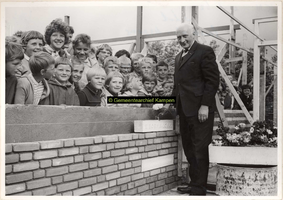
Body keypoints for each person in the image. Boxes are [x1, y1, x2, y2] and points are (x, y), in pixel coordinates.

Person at [172, 23, 219, 196]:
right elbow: (178, 85)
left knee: (199, 148)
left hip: (200, 110)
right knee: (189, 147)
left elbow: (212, 81)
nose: (182, 40)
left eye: (185, 36)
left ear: (194, 34)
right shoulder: (178, 57)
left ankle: (199, 188)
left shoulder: (204, 51)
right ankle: (194, 183)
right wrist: (171, 104)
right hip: (184, 110)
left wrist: (205, 105)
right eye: (179, 37)